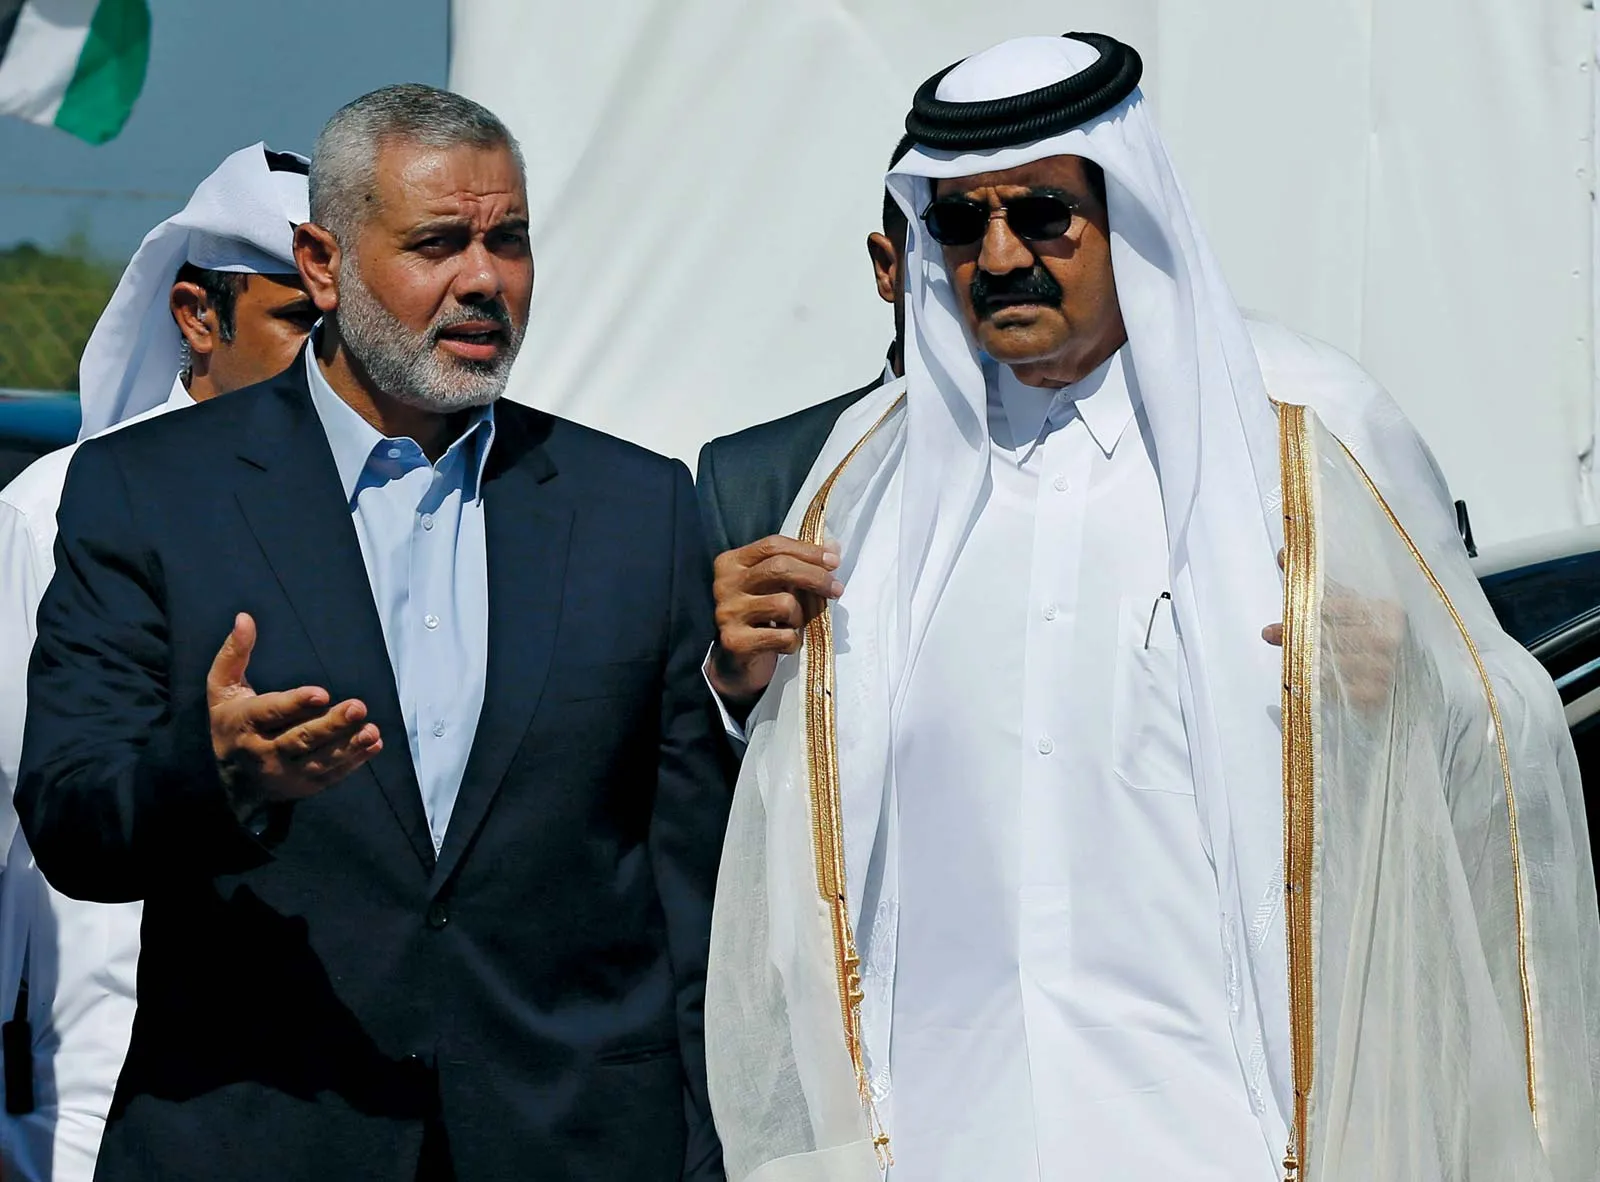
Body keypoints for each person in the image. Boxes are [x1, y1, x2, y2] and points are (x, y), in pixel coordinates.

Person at [701, 33, 1600, 1182]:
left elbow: (1504, 727)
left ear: (1126, 209)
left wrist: (1409, 688)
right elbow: (818, 800)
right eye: (959, 223)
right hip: (946, 1125)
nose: (999, 256)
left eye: (1042, 214)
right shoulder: (867, 472)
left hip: (1231, 1124)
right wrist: (744, 681)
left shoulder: (1306, 429)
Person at [16, 84, 728, 1181]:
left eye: (508, 241)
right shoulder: (151, 492)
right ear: (322, 263)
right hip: (259, 1138)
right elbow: (71, 820)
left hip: (570, 1142)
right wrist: (215, 777)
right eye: (437, 244)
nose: (483, 280)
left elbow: (691, 881)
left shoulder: (636, 506)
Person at [0, 142, 315, 1182]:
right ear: (196, 315)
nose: (332, 360)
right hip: (93, 1094)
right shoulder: (55, 509)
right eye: (300, 322)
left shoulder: (379, 509)